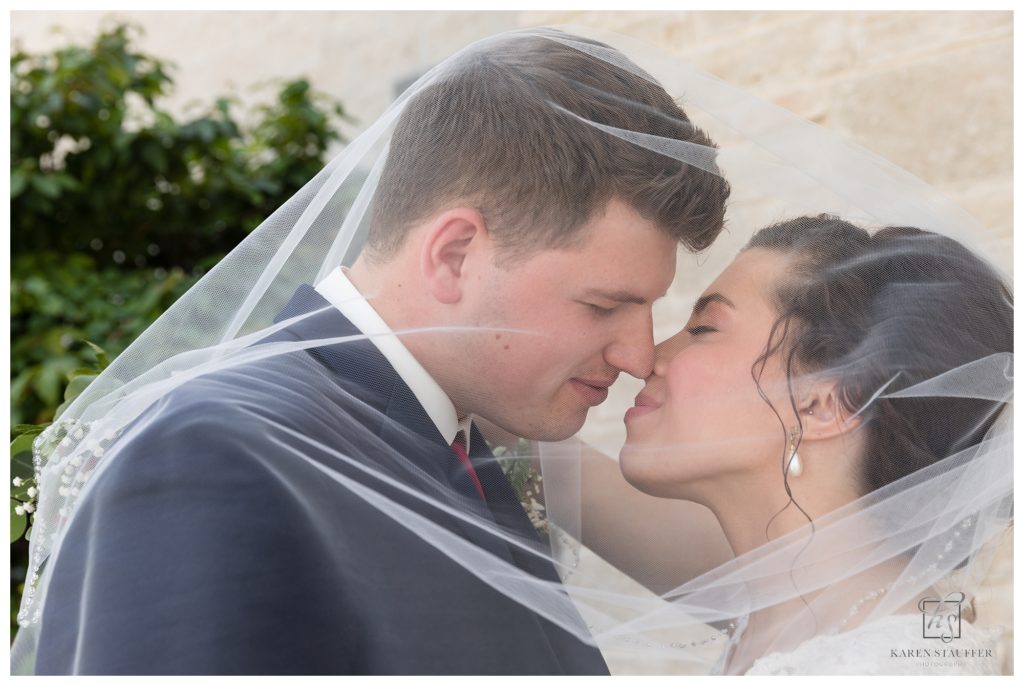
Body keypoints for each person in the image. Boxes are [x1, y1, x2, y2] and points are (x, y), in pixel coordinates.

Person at [18, 29, 730, 675]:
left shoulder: (476, 446)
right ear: (454, 255)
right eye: (603, 306)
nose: (640, 355)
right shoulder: (209, 456)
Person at [607, 215, 1012, 674]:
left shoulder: (890, 670)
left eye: (704, 330)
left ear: (820, 404)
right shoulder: (792, 631)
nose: (648, 358)